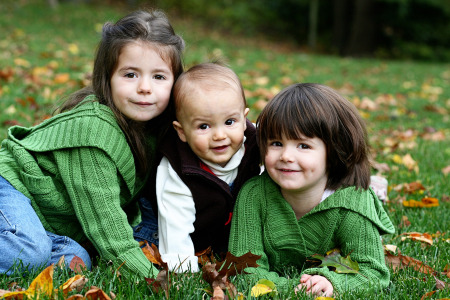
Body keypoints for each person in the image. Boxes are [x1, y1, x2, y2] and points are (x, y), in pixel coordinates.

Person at [0, 10, 184, 279]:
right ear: (106, 78)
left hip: (42, 217)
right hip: (10, 187)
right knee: (28, 254)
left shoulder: (159, 126)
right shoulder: (94, 132)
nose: (145, 87)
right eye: (130, 75)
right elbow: (108, 230)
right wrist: (155, 280)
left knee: (76, 259)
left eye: (159, 77)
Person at [229, 83, 395, 296]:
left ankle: (376, 187)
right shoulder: (253, 195)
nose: (286, 156)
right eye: (277, 143)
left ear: (335, 151)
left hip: (345, 194)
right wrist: (293, 289)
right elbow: (243, 268)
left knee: (365, 196)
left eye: (303, 146)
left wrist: (333, 283)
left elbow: (372, 272)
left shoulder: (352, 204)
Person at [143, 62, 260, 272]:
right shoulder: (177, 171)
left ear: (244, 119)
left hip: (219, 227)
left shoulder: (256, 143)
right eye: (203, 126)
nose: (219, 135)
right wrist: (184, 272)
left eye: (230, 122)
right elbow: (175, 231)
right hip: (164, 226)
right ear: (181, 131)